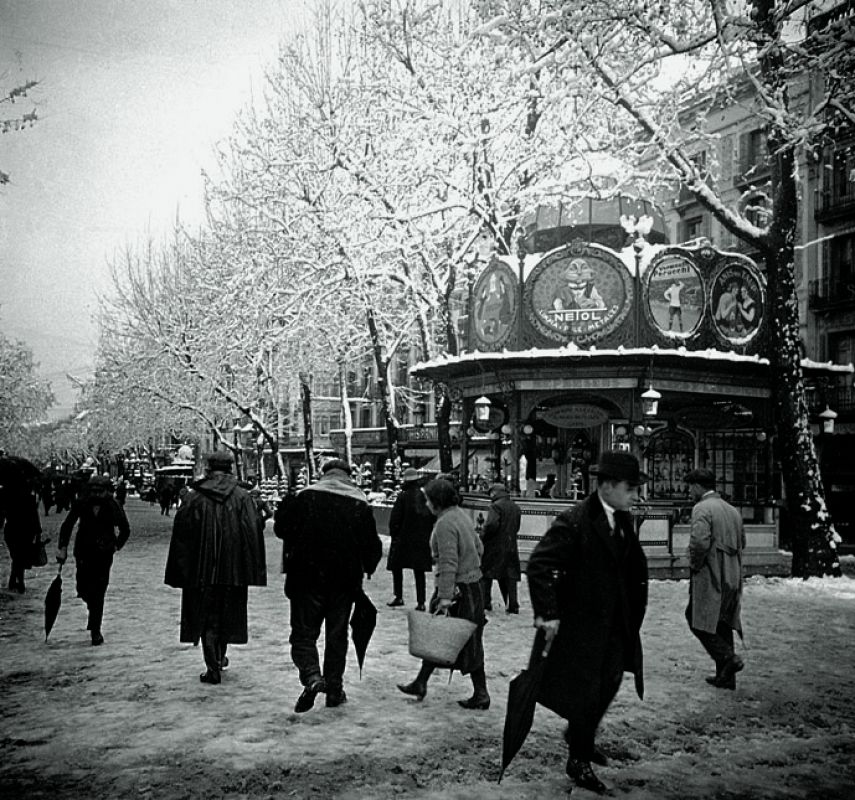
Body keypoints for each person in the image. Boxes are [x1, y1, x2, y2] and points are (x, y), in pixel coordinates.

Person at [526, 450, 649, 794]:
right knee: (588, 692)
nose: (635, 494)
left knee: (609, 683)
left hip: (615, 623)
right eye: (630, 487)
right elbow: (539, 565)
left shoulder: (622, 518)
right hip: (583, 627)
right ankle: (578, 757)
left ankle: (581, 733)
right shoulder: (576, 520)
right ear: (607, 486)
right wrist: (548, 613)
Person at [278, 458, 381, 712]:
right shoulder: (359, 502)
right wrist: (367, 566)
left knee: (303, 633)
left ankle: (312, 676)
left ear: (324, 475)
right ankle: (334, 689)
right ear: (348, 476)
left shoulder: (306, 497)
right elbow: (372, 546)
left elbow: (282, 528)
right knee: (337, 636)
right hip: (343, 583)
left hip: (306, 578)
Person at [164, 451, 266, 684]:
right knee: (226, 615)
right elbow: (252, 532)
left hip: (200, 570)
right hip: (233, 571)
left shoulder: (193, 497)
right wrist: (251, 568)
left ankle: (213, 668)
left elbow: (181, 536)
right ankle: (219, 658)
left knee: (206, 617)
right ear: (230, 469)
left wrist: (181, 569)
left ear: (209, 469)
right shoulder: (242, 496)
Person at [397, 478, 490, 710]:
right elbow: (479, 547)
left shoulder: (445, 524)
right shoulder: (461, 516)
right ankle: (421, 682)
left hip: (457, 590)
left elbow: (449, 562)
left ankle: (481, 694)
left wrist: (446, 597)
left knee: (462, 639)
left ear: (436, 501)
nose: (426, 504)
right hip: (472, 585)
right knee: (441, 636)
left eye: (428, 500)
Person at [684, 467, 745, 690]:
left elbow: (699, 542)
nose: (689, 491)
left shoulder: (702, 508)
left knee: (695, 618)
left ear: (699, 486)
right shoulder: (732, 510)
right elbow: (743, 542)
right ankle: (726, 678)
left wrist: (695, 564)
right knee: (722, 621)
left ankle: (729, 659)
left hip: (711, 572)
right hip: (733, 572)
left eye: (691, 486)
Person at [56, 475, 130, 645]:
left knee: (99, 590)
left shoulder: (113, 505)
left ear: (106, 491)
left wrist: (116, 546)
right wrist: (63, 547)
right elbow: (67, 525)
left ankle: (96, 629)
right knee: (82, 587)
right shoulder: (82, 503)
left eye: (100, 491)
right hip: (83, 551)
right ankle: (92, 606)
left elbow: (125, 529)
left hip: (104, 554)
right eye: (93, 490)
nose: (96, 494)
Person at [385, 468, 433, 611]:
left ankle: (398, 596)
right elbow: (431, 516)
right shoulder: (424, 497)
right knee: (419, 571)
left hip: (403, 539)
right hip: (420, 540)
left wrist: (394, 534)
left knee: (397, 567)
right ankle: (421, 601)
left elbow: (395, 519)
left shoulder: (403, 497)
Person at [480, 483, 522, 614]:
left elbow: (492, 524)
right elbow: (517, 526)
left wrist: (483, 536)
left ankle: (485, 602)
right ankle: (513, 604)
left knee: (486, 574)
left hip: (494, 546)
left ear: (495, 493)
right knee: (510, 576)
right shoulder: (515, 507)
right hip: (511, 545)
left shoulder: (495, 507)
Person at [1, 479, 42, 594]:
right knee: (20, 556)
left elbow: (3, 514)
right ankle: (18, 581)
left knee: (17, 556)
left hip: (12, 530)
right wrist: (38, 532)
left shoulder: (8, 498)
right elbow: (35, 516)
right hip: (25, 531)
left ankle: (15, 580)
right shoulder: (29, 499)